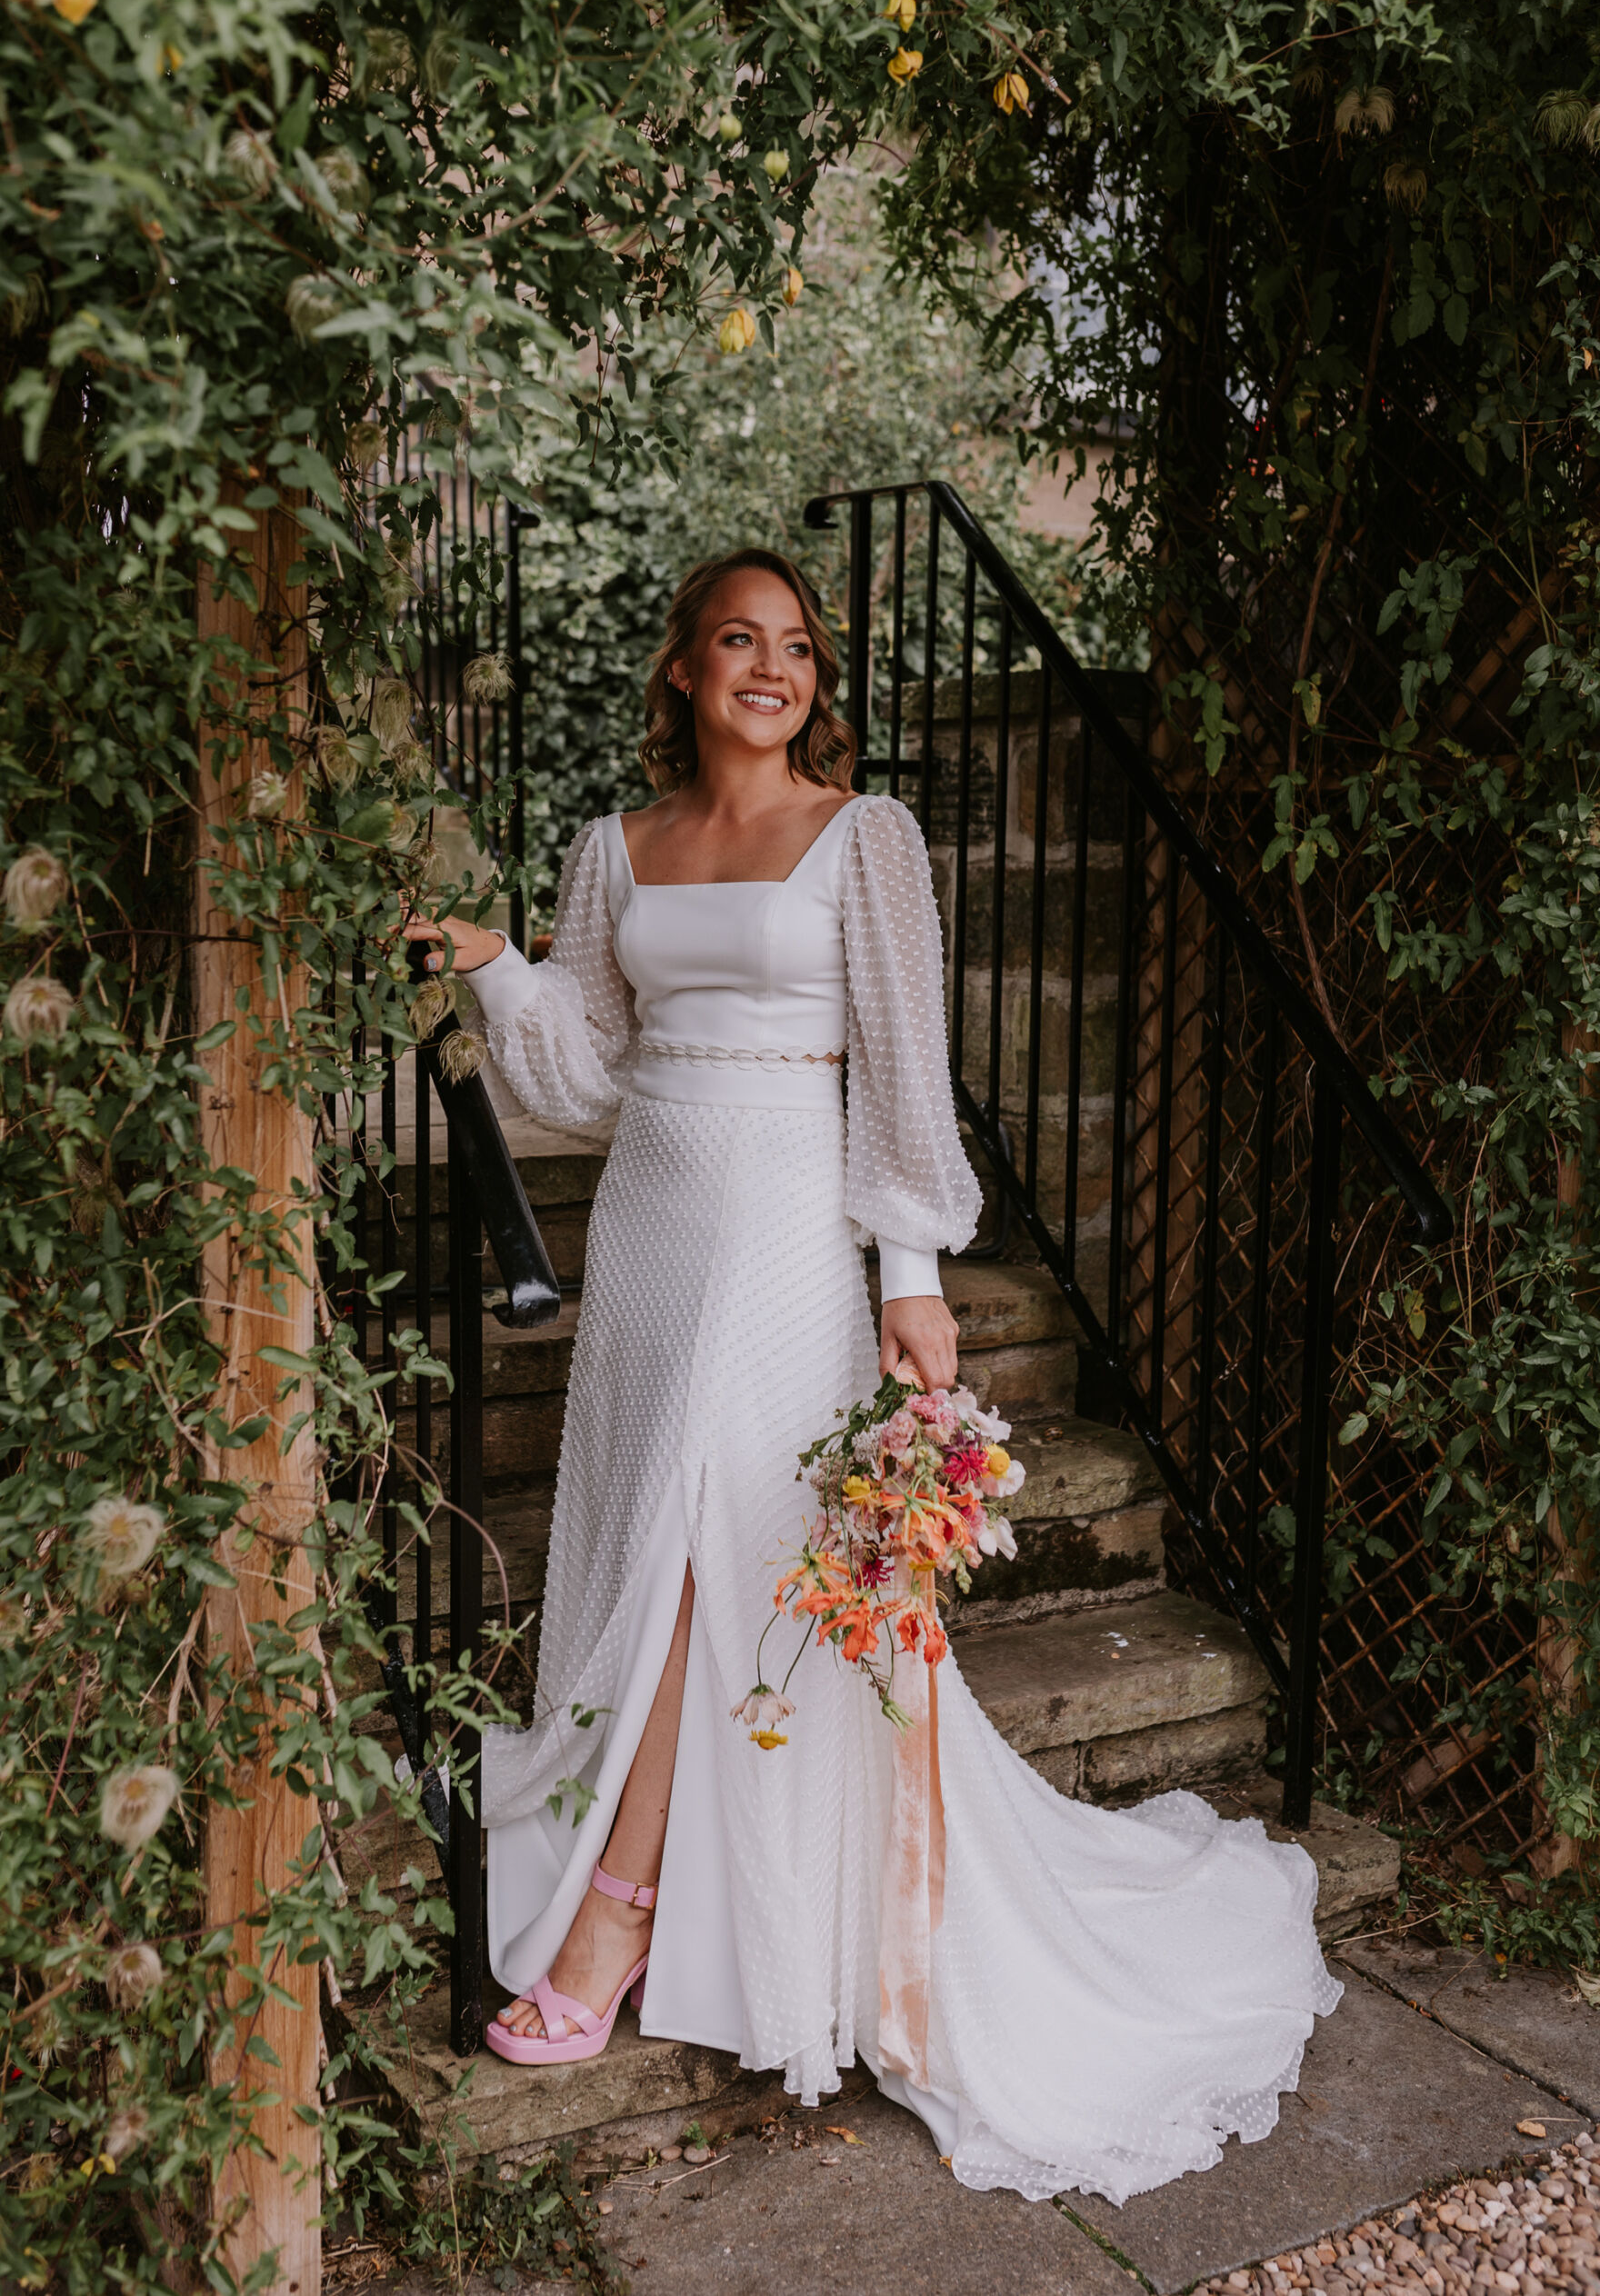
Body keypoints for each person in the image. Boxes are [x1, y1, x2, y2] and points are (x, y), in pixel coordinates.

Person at [403, 548, 1340, 2205]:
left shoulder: (866, 840)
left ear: (814, 682)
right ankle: (677, 1882)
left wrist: (911, 1277)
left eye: (800, 647)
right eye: (739, 642)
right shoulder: (614, 850)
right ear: (685, 670)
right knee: (650, 1539)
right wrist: (494, 961)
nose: (774, 667)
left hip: (781, 1231)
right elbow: (594, 1066)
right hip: (652, 1226)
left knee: (732, 1551)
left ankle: (618, 1914)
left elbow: (905, 1070)